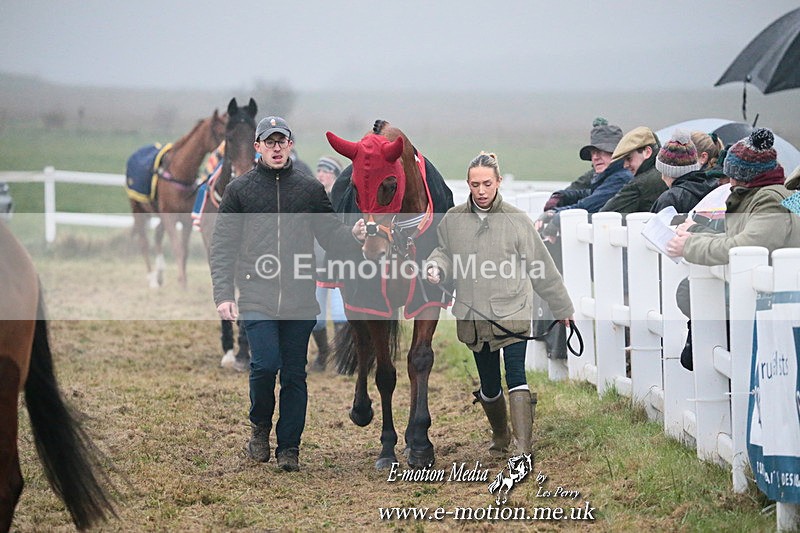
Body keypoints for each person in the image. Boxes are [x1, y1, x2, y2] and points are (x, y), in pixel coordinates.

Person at [210, 116, 365, 471]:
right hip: (256, 295)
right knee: (264, 366)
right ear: (258, 147)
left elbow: (330, 236)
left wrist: (353, 236)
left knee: (294, 374)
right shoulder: (239, 192)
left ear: (290, 145)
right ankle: (260, 427)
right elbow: (222, 247)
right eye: (270, 141)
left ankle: (289, 448)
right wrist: (223, 294)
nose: (276, 147)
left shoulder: (309, 189)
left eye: (282, 141)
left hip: (298, 297)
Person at [425, 152, 575, 458]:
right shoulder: (453, 220)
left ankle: (523, 447)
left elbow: (541, 268)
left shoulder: (516, 220)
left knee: (516, 375)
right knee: (489, 386)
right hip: (473, 315)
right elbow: (443, 252)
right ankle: (501, 435)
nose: (481, 190)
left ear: (499, 182)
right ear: (468, 184)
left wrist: (562, 309)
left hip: (513, 311)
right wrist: (436, 266)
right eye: (476, 184)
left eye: (487, 184)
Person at [666, 128, 800, 369]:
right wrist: (698, 230)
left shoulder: (770, 200)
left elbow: (746, 246)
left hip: (774, 303)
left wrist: (690, 244)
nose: (727, 183)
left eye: (729, 176)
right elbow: (740, 232)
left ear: (742, 176)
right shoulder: (768, 196)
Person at [536, 120, 632, 244]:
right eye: (593, 153)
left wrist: (555, 214)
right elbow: (591, 194)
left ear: (617, 153)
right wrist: (561, 196)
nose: (595, 157)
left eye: (602, 151)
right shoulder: (610, 176)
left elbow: (588, 206)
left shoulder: (620, 178)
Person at [310, 155, 348, 371]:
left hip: (339, 265)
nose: (322, 175)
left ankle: (343, 358)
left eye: (327, 171)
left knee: (341, 313)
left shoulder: (342, 202)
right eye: (320, 171)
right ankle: (324, 354)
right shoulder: (311, 200)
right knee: (316, 318)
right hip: (316, 265)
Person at [650, 130, 720, 223]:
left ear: (670, 172)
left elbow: (654, 232)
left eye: (663, 172)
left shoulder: (670, 199)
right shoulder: (715, 188)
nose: (662, 178)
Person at [599, 126, 666, 214]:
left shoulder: (639, 185)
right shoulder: (669, 173)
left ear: (647, 152)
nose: (625, 165)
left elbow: (605, 215)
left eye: (629, 158)